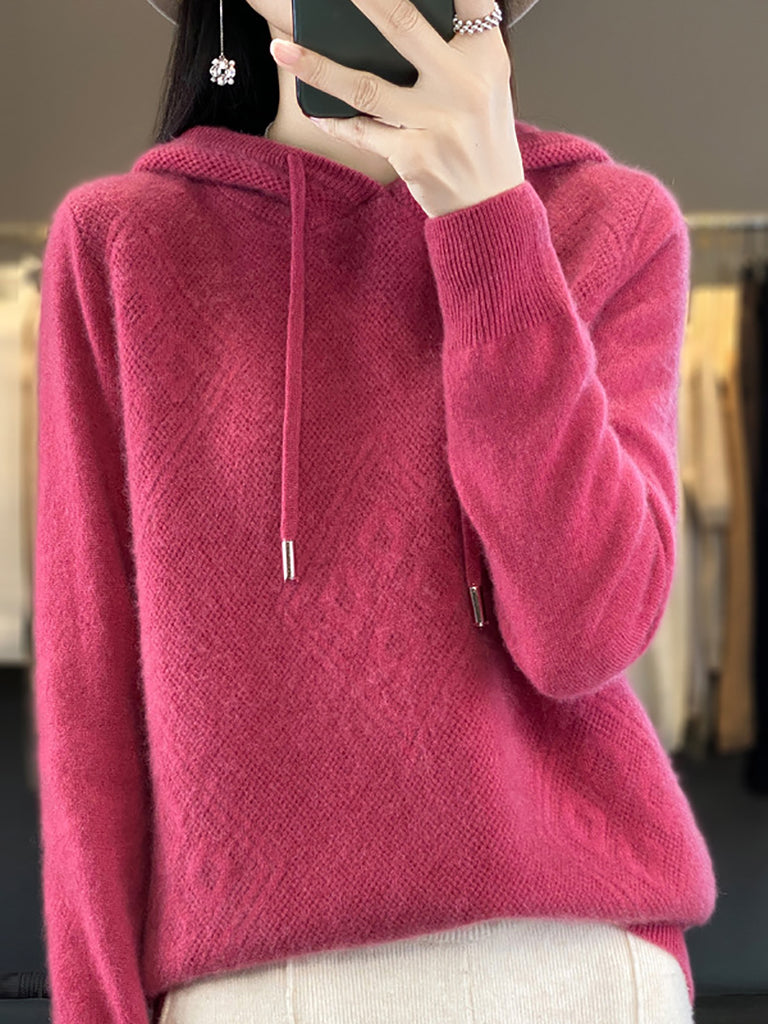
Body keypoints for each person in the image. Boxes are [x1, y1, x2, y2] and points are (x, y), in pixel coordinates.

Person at [32, 0, 718, 1022]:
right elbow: (87, 704)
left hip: (574, 962)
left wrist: (489, 222)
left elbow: (585, 633)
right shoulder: (122, 244)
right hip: (259, 986)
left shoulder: (607, 222)